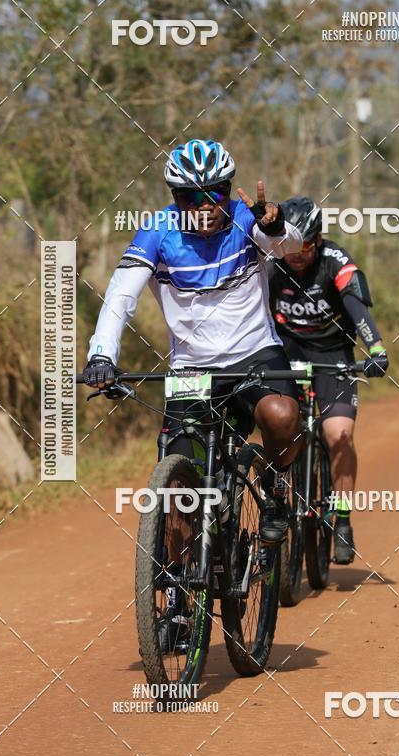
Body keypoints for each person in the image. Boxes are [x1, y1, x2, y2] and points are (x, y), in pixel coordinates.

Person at [82, 138, 303, 543]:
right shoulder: (158, 231)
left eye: (214, 192)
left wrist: (276, 227)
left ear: (227, 191)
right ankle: (180, 602)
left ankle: (277, 490)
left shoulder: (246, 218)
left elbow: (289, 247)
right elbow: (121, 295)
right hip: (192, 368)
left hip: (254, 353)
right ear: (175, 197)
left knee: (282, 415)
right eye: (190, 196)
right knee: (178, 487)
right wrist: (102, 355)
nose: (204, 204)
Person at [267, 196, 389, 564]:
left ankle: (343, 518)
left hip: (332, 356)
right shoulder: (272, 263)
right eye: (291, 245)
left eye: (305, 244)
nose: (296, 254)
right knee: (277, 427)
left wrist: (377, 349)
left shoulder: (337, 263)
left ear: (317, 240)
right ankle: (277, 501)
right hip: (286, 352)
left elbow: (357, 307)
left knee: (340, 435)